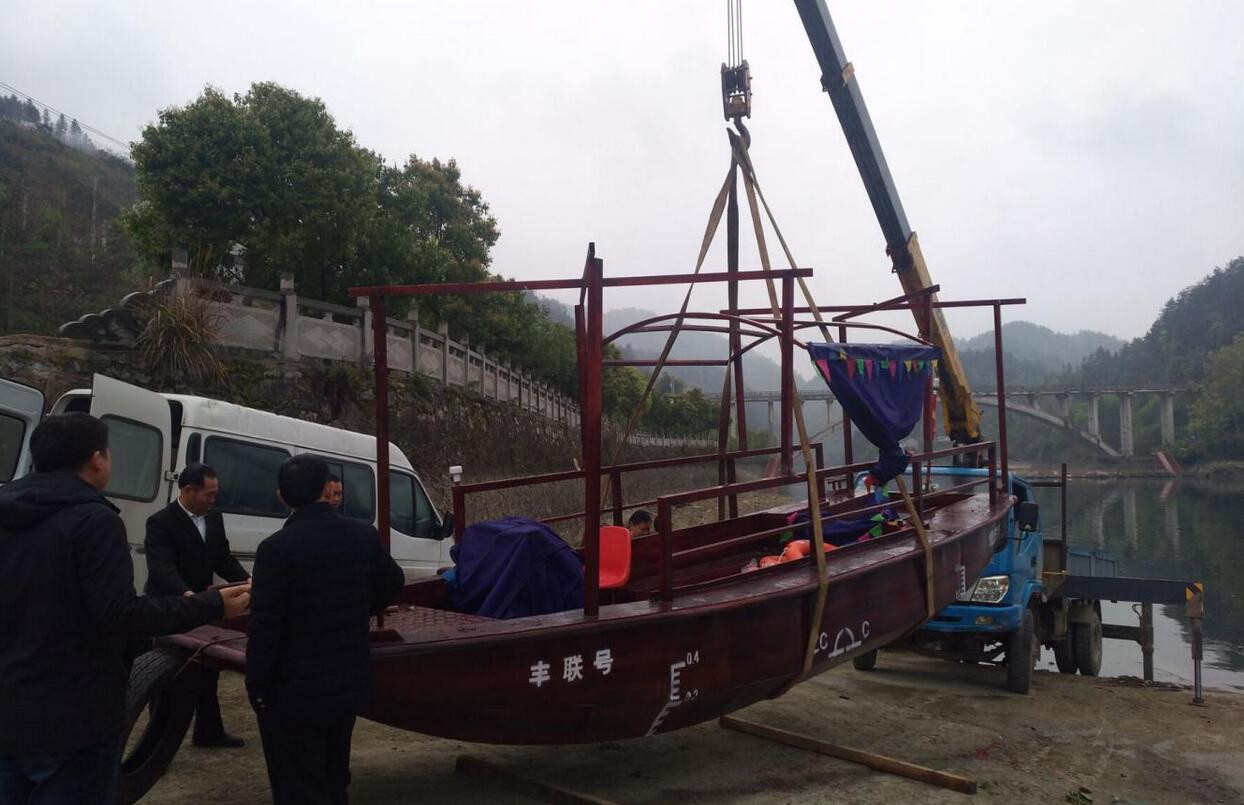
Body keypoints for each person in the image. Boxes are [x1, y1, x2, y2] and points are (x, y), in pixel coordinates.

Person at [0, 413, 250, 805]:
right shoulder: (94, 521)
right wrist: (211, 603)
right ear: (97, 459)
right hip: (74, 716)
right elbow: (120, 614)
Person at [247, 454, 404, 804]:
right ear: (325, 489)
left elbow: (265, 627)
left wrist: (256, 685)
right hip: (346, 682)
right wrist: (360, 608)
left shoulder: (275, 549)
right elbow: (393, 583)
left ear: (281, 497)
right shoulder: (362, 536)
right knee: (335, 777)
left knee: (299, 786)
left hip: (292, 692)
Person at [144, 462, 250, 748]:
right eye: (209, 494)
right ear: (189, 490)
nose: (213, 500)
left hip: (202, 605)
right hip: (170, 605)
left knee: (207, 667)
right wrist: (186, 594)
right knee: (166, 675)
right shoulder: (160, 522)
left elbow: (222, 559)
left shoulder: (214, 518)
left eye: (216, 494)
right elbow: (162, 568)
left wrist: (247, 580)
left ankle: (209, 731)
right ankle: (156, 744)